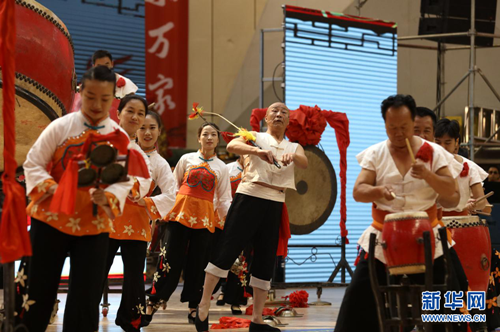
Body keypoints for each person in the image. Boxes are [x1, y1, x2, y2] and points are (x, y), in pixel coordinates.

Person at [335, 94, 466, 332]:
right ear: (385, 124)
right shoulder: (375, 153)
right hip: (384, 237)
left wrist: (427, 175)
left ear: (411, 122)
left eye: (404, 127)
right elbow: (358, 191)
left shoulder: (434, 153)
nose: (398, 133)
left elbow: (453, 194)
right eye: (391, 127)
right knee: (358, 299)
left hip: (428, 238)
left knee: (452, 294)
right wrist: (377, 190)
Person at [21, 66, 134, 332]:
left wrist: (106, 196)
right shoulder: (61, 126)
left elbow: (125, 180)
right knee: (38, 289)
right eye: (91, 96)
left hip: (92, 223)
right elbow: (33, 164)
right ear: (81, 92)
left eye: (104, 99)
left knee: (85, 297)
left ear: (112, 99)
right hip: (51, 218)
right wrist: (50, 187)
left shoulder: (119, 138)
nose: (96, 104)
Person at [196, 102, 308, 332]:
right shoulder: (254, 136)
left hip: (275, 202)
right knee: (227, 250)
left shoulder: (294, 146)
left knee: (266, 259)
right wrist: (258, 151)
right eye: (274, 111)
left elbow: (304, 162)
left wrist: (292, 157)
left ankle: (257, 320)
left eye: (283, 112)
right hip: (249, 197)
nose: (279, 114)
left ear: (288, 121)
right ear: (266, 118)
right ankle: (203, 304)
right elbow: (233, 144)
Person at [103, 96, 176, 331]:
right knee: (96, 270)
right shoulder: (113, 146)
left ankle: (129, 319)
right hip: (108, 217)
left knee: (134, 275)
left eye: (151, 128)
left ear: (158, 132)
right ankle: (83, 314)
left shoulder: (158, 163)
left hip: (137, 221)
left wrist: (146, 202)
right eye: (143, 127)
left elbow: (173, 195)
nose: (146, 132)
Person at [146, 122, 232, 323]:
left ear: (218, 139)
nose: (209, 138)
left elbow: (224, 198)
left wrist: (226, 223)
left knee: (198, 264)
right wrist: (166, 209)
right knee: (169, 260)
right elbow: (173, 186)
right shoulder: (187, 159)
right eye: (205, 134)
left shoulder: (221, 167)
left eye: (213, 134)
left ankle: (194, 306)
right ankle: (153, 302)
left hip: (204, 220)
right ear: (199, 138)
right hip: (179, 214)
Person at [215, 156, 253, 315]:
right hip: (226, 218)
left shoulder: (256, 170)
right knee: (223, 257)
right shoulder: (227, 168)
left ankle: (236, 301)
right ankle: (220, 290)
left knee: (241, 262)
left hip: (246, 219)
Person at [434, 118, 489, 215]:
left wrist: (474, 205)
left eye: (447, 142)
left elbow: (481, 201)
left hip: (460, 221)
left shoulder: (470, 167)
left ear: (456, 142)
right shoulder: (426, 165)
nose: (442, 147)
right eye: (438, 142)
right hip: (432, 219)